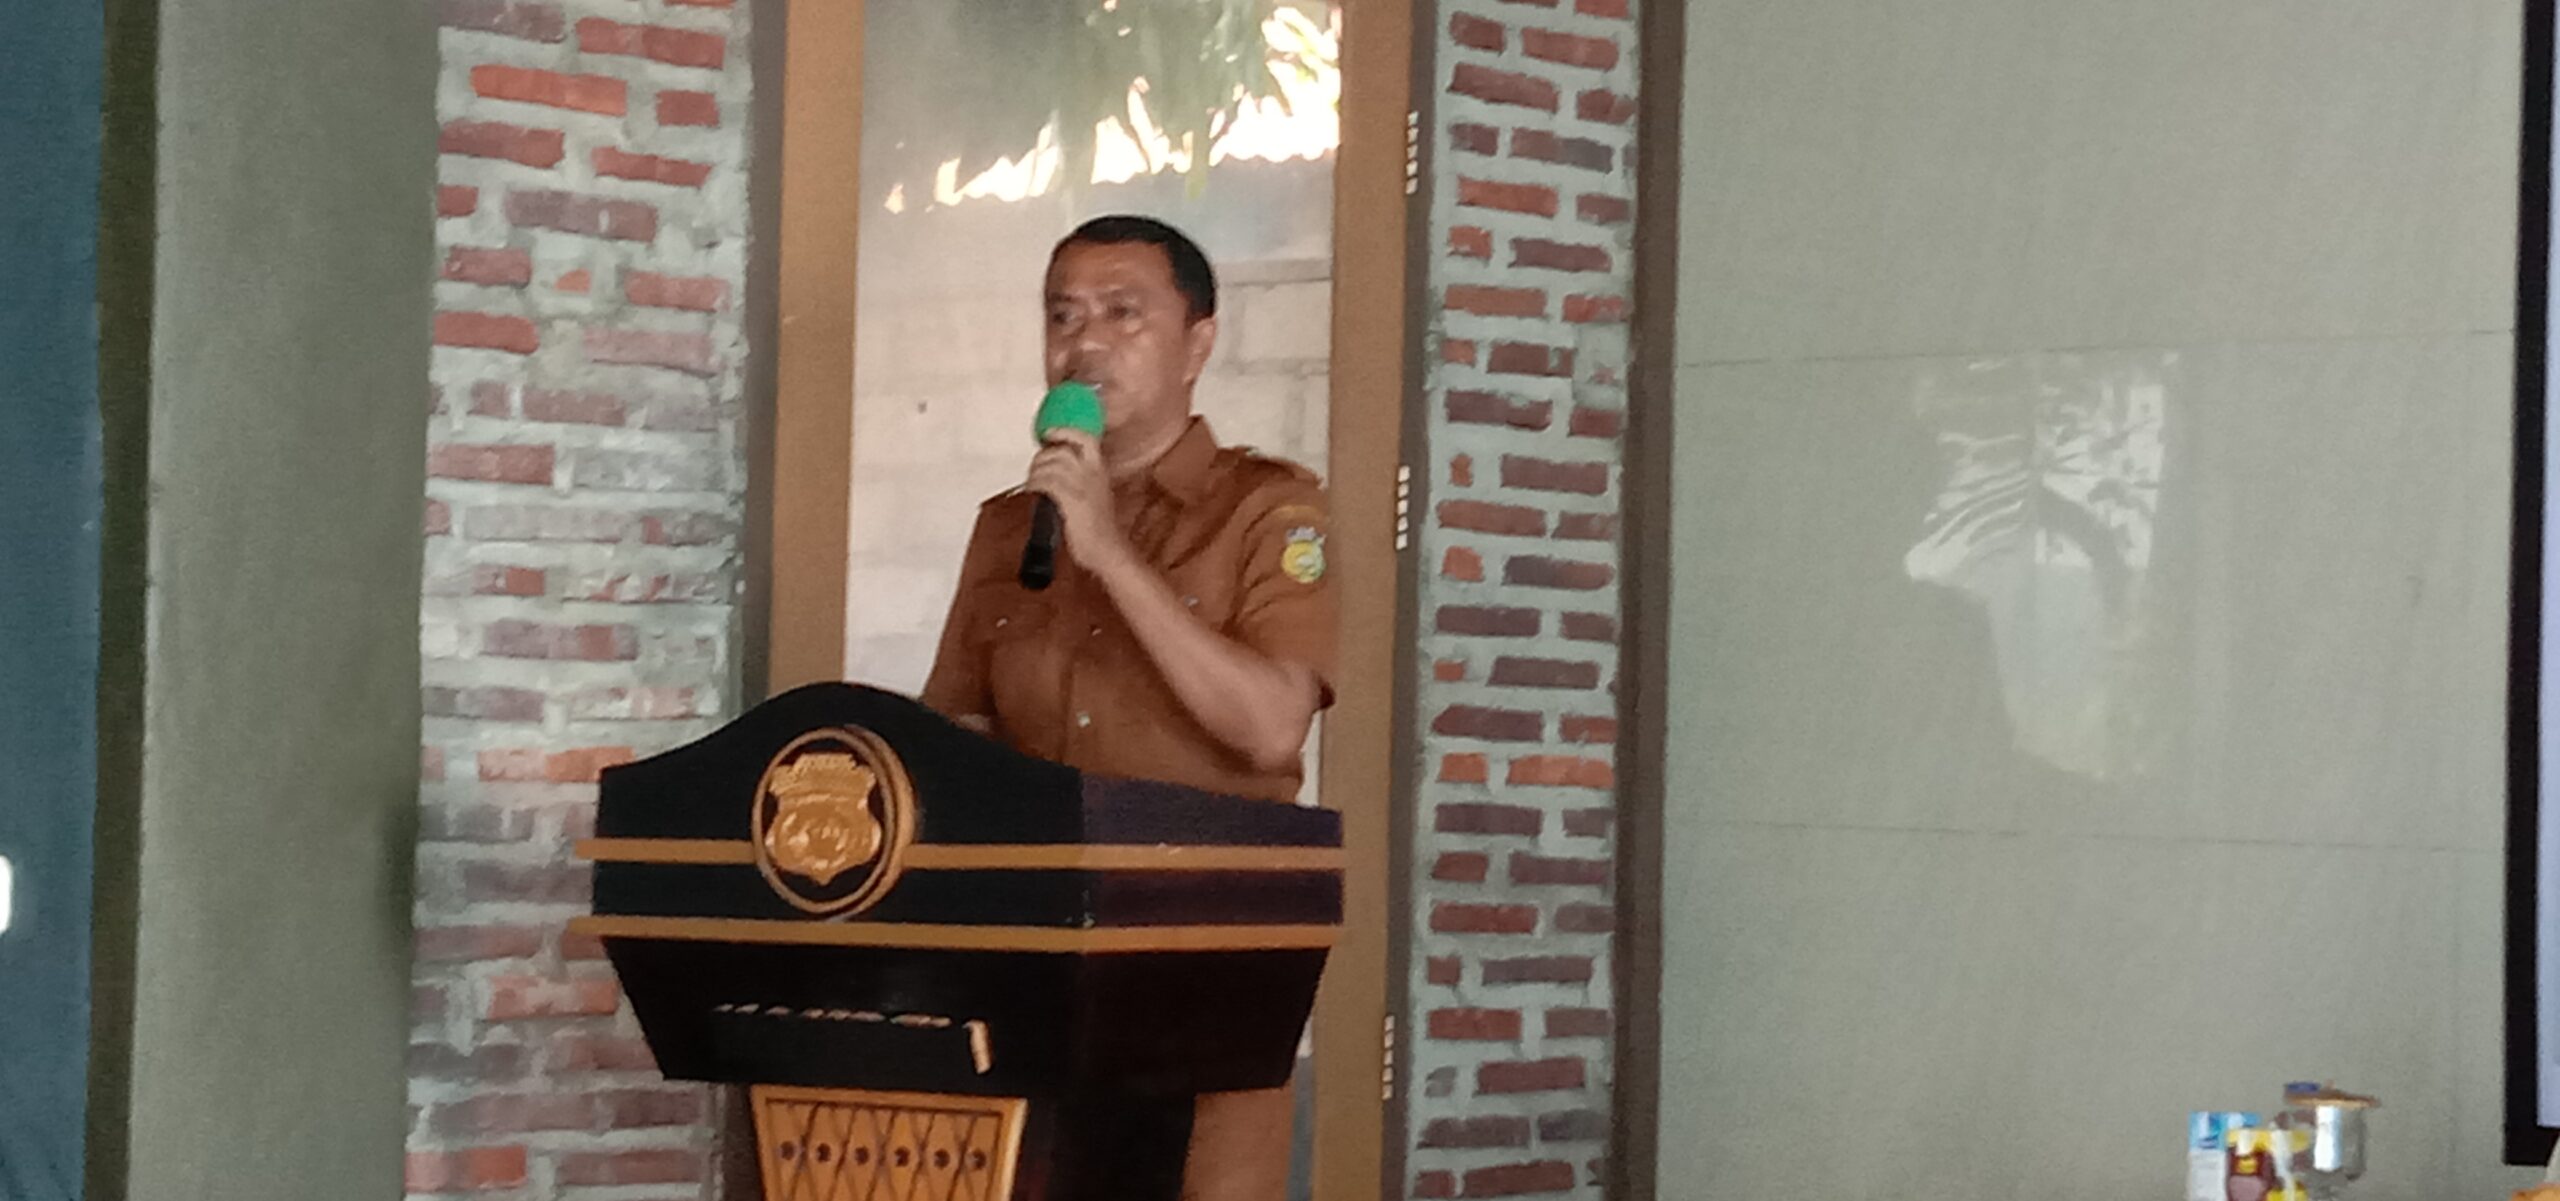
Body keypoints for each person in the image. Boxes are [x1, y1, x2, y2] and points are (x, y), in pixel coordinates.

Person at [919, 214, 1336, 1200]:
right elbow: (956, 741)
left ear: (1199, 343)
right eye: (1062, 316)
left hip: (1205, 973)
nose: (1085, 343)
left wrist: (1107, 551)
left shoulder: (1269, 510)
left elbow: (1273, 724)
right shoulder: (1009, 528)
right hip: (1034, 979)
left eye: (1122, 313)